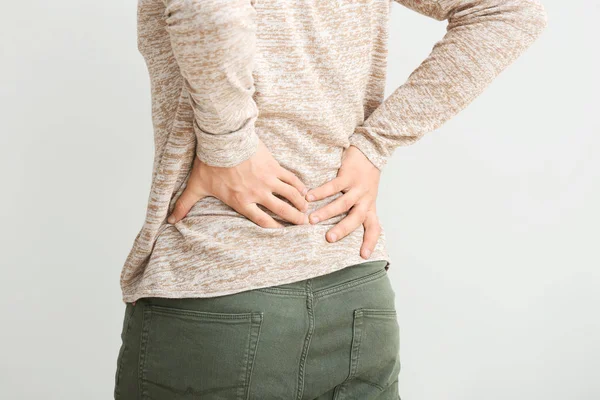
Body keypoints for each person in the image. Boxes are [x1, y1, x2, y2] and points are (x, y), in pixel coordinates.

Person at [113, 0, 547, 398]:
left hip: (221, 290)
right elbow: (508, 10)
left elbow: (211, 12)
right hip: (356, 288)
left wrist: (229, 145)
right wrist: (373, 145)